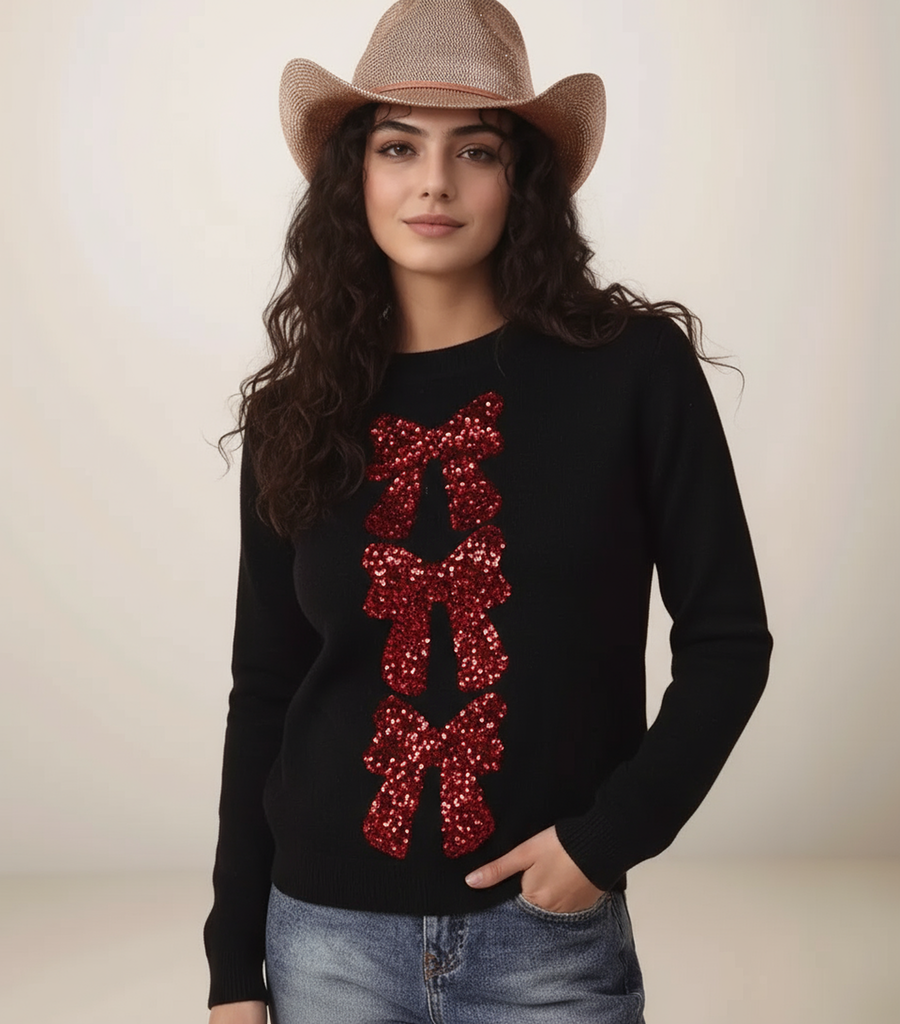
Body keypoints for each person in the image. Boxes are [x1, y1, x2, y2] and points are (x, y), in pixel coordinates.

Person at [203, 1, 773, 1022]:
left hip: (545, 944)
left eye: (475, 148)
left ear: (524, 180)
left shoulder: (633, 374)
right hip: (321, 941)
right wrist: (233, 969)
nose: (433, 182)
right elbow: (266, 691)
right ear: (354, 176)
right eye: (397, 145)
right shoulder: (294, 411)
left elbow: (729, 641)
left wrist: (604, 844)